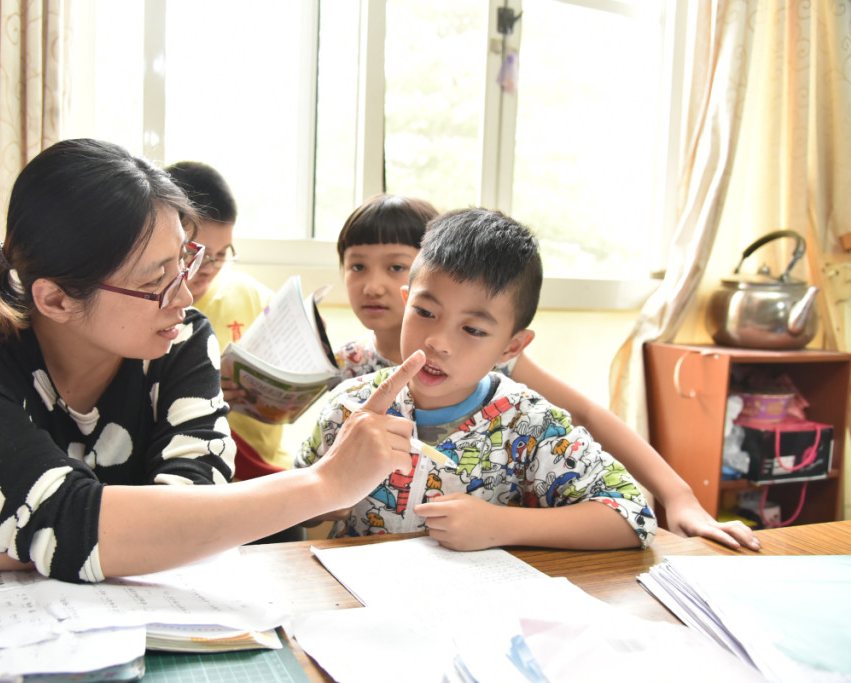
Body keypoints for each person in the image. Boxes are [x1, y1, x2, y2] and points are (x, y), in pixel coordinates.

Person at [0, 138, 425, 586]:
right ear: (55, 300)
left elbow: (195, 503)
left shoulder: (180, 338)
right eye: (154, 281)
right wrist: (325, 483)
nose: (184, 297)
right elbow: (109, 520)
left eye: (184, 263)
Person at [332, 194, 760, 551]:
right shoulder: (347, 383)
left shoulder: (520, 409)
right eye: (357, 266)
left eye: (394, 264)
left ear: (509, 347)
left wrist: (678, 496)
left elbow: (588, 421)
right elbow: (316, 487)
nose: (373, 286)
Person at [299, 208, 656, 551]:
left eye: (472, 329)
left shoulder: (531, 424)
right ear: (406, 303)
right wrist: (328, 495)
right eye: (425, 312)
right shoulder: (349, 406)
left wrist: (499, 525)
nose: (438, 341)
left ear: (511, 347)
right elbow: (293, 504)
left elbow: (632, 515)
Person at [164, 161, 288, 477]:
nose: (209, 267)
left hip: (267, 470)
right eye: (195, 254)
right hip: (191, 473)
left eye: (221, 255)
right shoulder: (147, 309)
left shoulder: (252, 296)